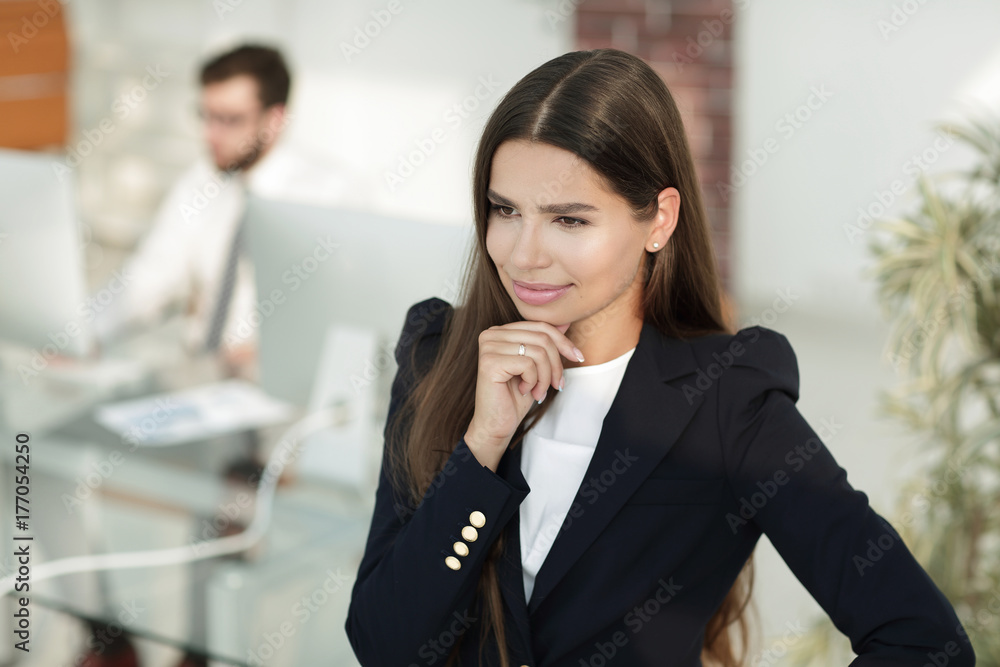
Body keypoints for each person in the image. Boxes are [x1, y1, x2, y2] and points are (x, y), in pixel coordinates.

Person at [343, 49, 975, 666]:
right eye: (505, 210)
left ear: (659, 221)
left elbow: (926, 643)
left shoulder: (728, 401)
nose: (524, 253)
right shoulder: (440, 355)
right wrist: (481, 445)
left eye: (569, 220)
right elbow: (382, 643)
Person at [91, 43, 357, 378]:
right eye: (206, 115)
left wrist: (271, 352)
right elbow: (148, 280)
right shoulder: (202, 181)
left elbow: (347, 316)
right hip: (197, 377)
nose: (210, 134)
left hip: (277, 387)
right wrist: (82, 333)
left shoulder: (329, 194)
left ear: (275, 120)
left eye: (229, 120)